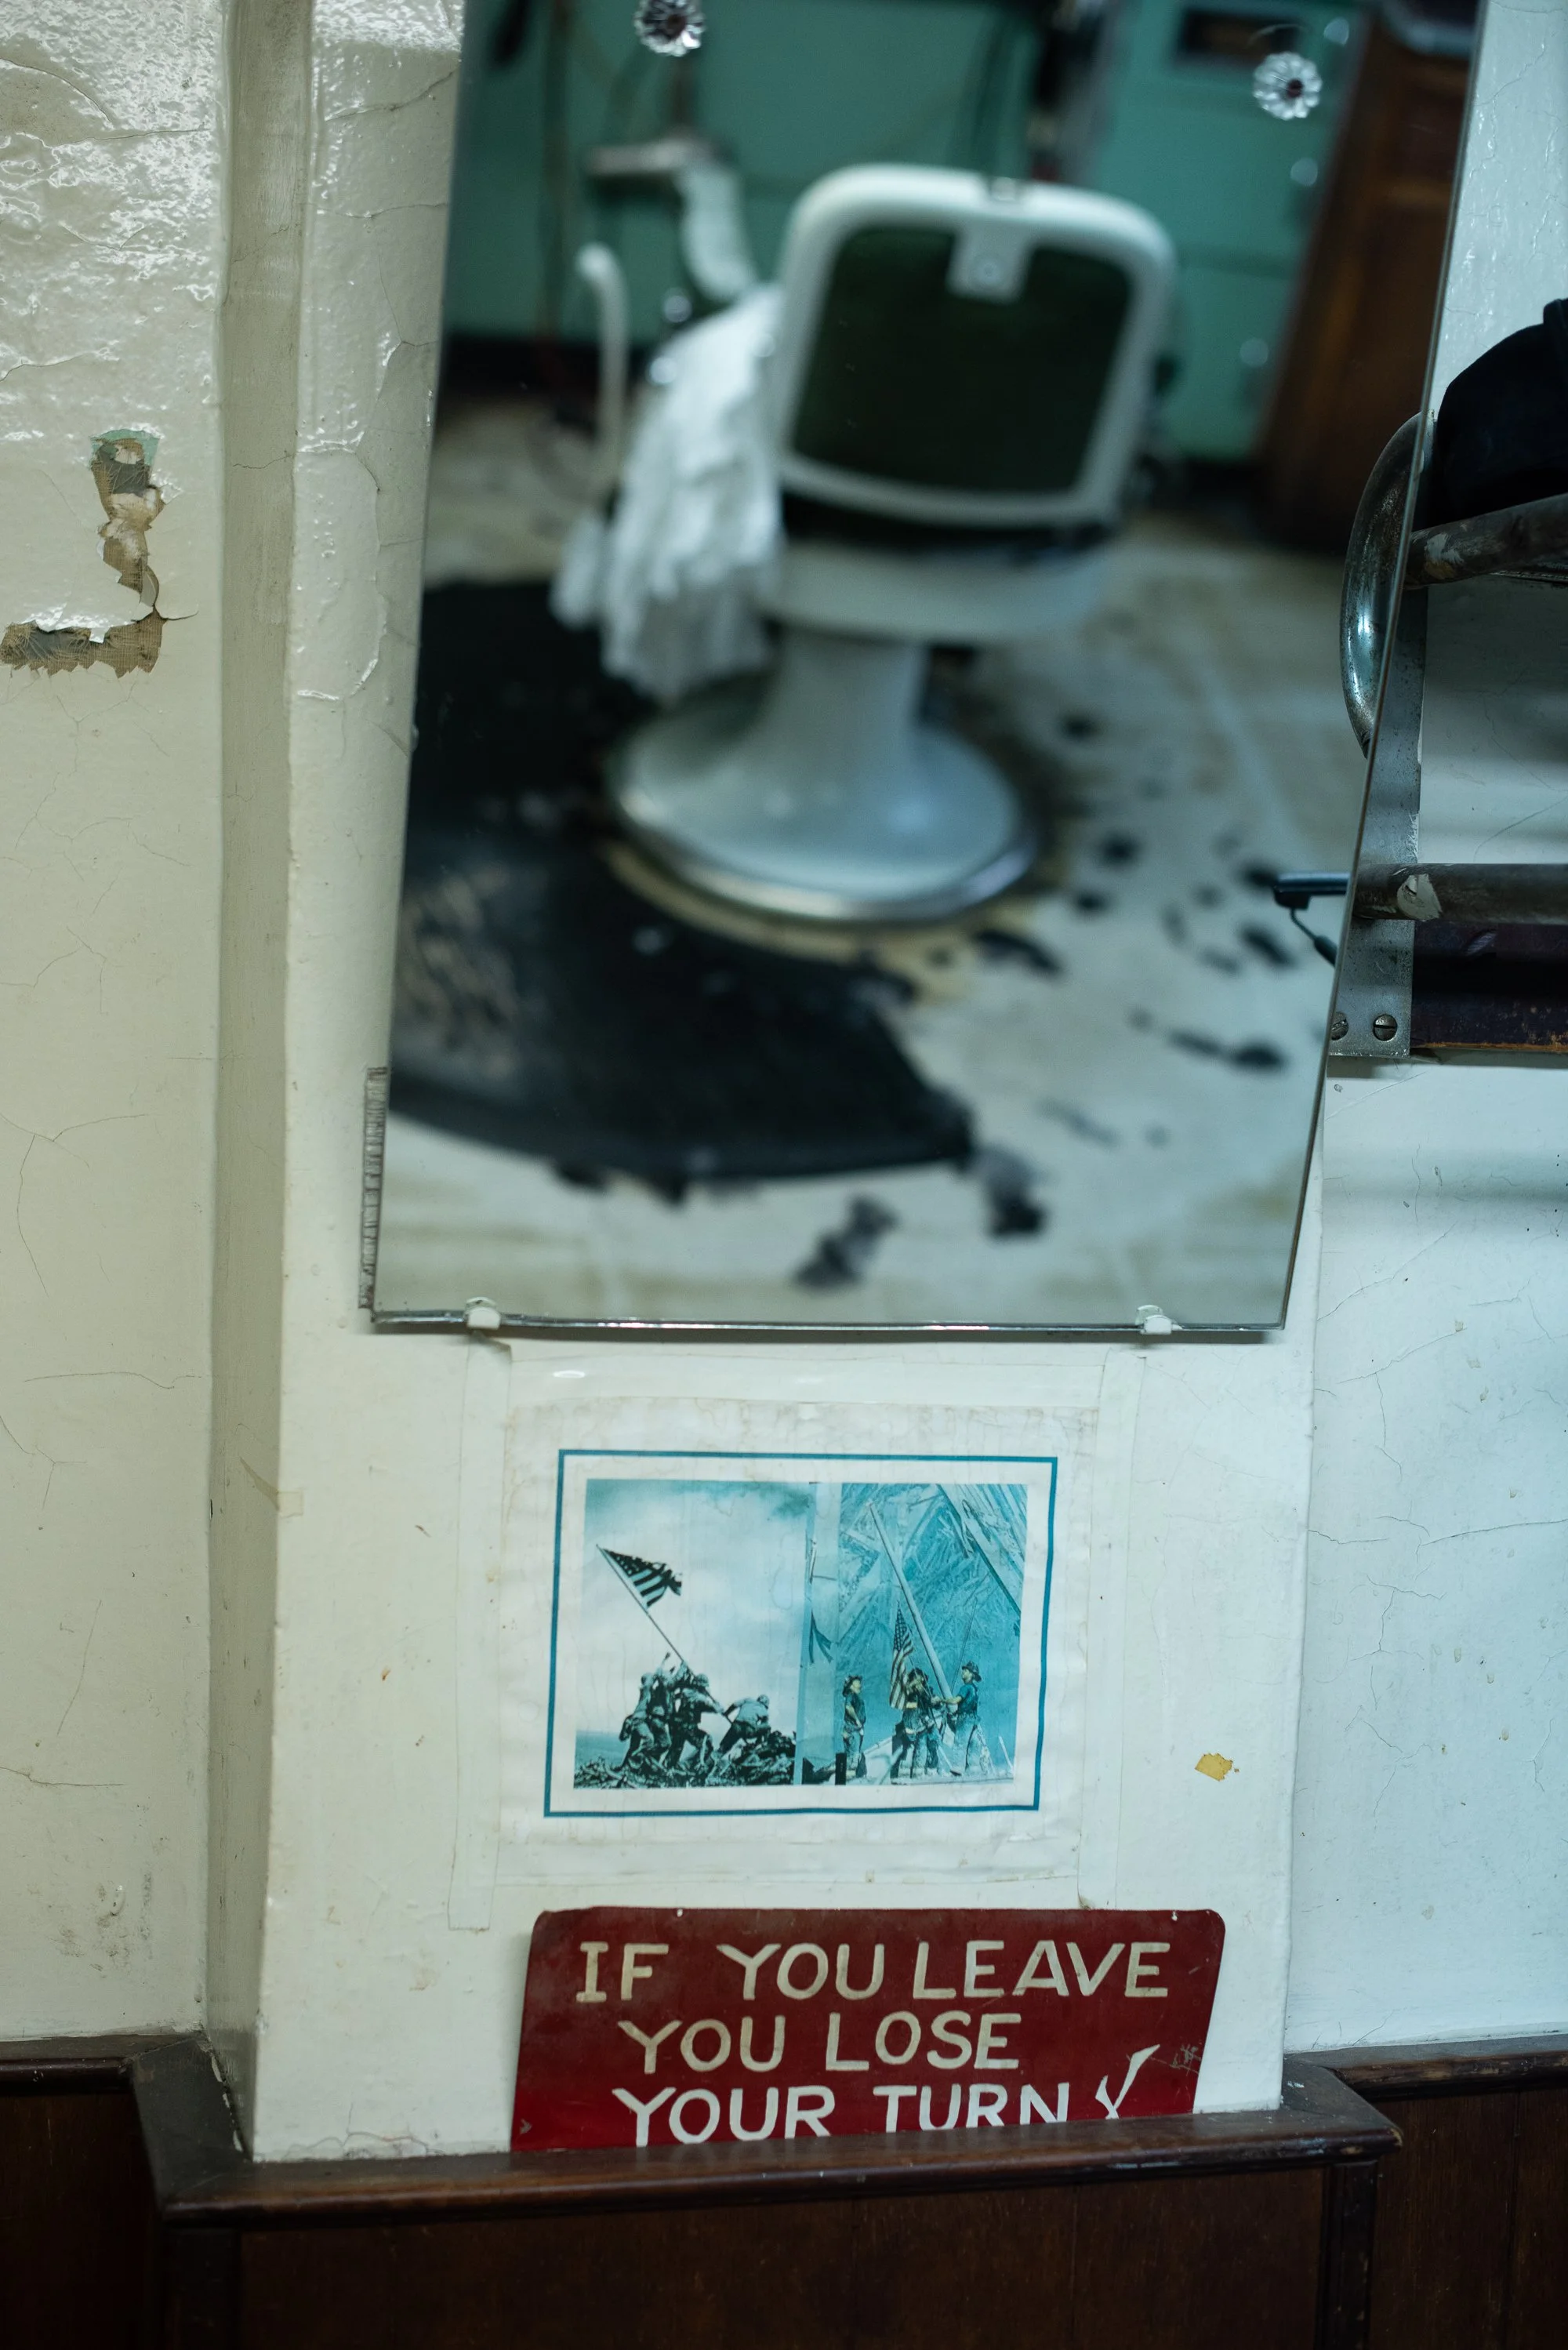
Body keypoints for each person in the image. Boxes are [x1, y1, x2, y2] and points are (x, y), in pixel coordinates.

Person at [889, 1667, 935, 1780]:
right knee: (908, 1751)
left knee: (923, 1750)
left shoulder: (927, 1692)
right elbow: (903, 1698)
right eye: (914, 1678)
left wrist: (929, 1698)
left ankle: (918, 1775)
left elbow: (935, 1704)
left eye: (919, 1677)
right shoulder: (908, 1693)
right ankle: (902, 1776)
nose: (917, 1680)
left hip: (923, 1727)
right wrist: (912, 1686)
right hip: (909, 1726)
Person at [951, 1661, 985, 1774]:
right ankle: (973, 1770)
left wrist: (940, 1700)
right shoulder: (975, 1689)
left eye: (965, 1671)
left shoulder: (965, 1688)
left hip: (964, 1720)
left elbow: (955, 1701)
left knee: (960, 1743)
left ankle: (957, 1769)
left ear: (971, 1674)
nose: (963, 1672)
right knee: (973, 1745)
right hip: (974, 1720)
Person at [719, 1692, 771, 1759]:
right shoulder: (764, 1711)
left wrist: (726, 1713)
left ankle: (716, 1756)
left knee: (724, 1747)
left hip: (736, 1726)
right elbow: (764, 1726)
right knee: (767, 1727)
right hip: (748, 1730)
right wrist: (759, 1741)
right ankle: (764, 1745)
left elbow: (734, 1705)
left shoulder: (748, 1700)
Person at [840, 1675, 867, 1780]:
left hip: (855, 1728)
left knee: (852, 1754)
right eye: (857, 1682)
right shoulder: (851, 1695)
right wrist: (857, 1720)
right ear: (851, 1686)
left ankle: (849, 1776)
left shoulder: (855, 1696)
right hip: (853, 1728)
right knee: (854, 1755)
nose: (860, 1684)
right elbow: (848, 1707)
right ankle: (850, 1778)